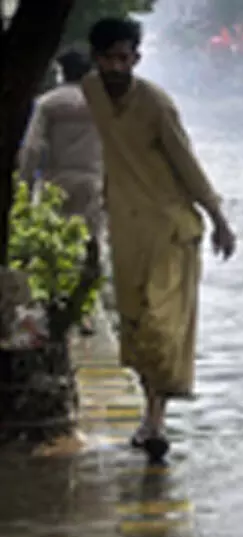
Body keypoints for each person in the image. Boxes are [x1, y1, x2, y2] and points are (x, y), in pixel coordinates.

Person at [82, 17, 237, 461]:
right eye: (109, 58)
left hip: (171, 229)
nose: (117, 67)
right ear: (96, 59)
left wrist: (219, 218)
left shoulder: (156, 105)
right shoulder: (90, 92)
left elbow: (187, 164)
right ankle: (150, 420)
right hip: (127, 229)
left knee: (161, 326)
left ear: (137, 59)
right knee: (133, 322)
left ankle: (155, 419)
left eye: (125, 58)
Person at [18, 48, 108, 331]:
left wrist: (25, 184)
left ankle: (55, 302)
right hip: (94, 180)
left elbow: (32, 147)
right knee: (91, 244)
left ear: (61, 71)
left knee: (54, 246)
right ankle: (86, 311)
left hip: (56, 181)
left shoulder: (48, 103)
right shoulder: (102, 103)